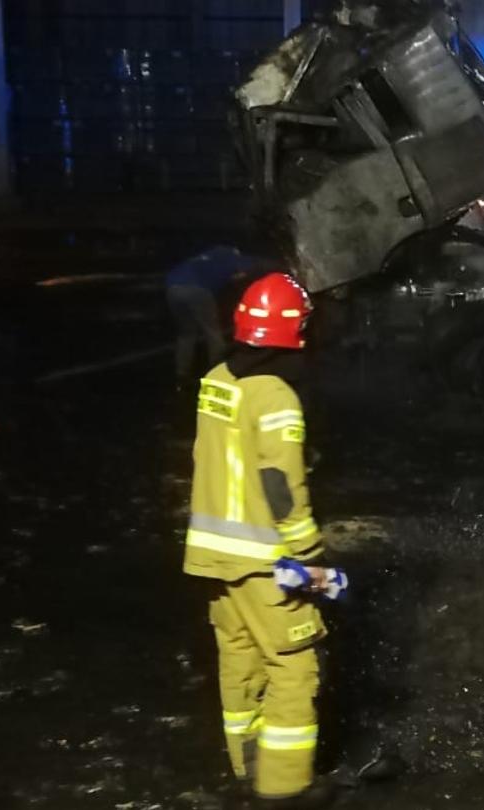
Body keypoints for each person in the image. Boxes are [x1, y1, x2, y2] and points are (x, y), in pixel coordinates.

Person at [184, 272, 337, 806]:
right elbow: (280, 485)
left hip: (212, 557)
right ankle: (285, 788)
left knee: (240, 661)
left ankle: (246, 765)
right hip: (266, 561)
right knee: (295, 667)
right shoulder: (276, 396)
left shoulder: (218, 380)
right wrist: (309, 555)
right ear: (295, 331)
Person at [167, 244, 268, 383]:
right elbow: (246, 271)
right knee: (212, 332)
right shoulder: (233, 257)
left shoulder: (208, 255)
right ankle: (217, 367)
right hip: (197, 290)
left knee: (186, 333)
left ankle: (181, 373)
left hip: (172, 287)